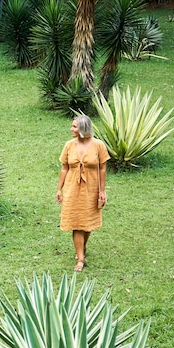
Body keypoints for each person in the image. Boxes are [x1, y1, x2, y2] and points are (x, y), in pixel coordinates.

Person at [56, 115, 110, 271]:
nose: (71, 129)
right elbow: (64, 168)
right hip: (73, 188)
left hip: (91, 188)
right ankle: (80, 259)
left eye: (74, 127)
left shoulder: (98, 145)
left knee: (87, 223)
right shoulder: (69, 145)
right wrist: (59, 188)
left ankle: (82, 247)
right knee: (76, 223)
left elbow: (103, 168)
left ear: (83, 129)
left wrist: (101, 191)